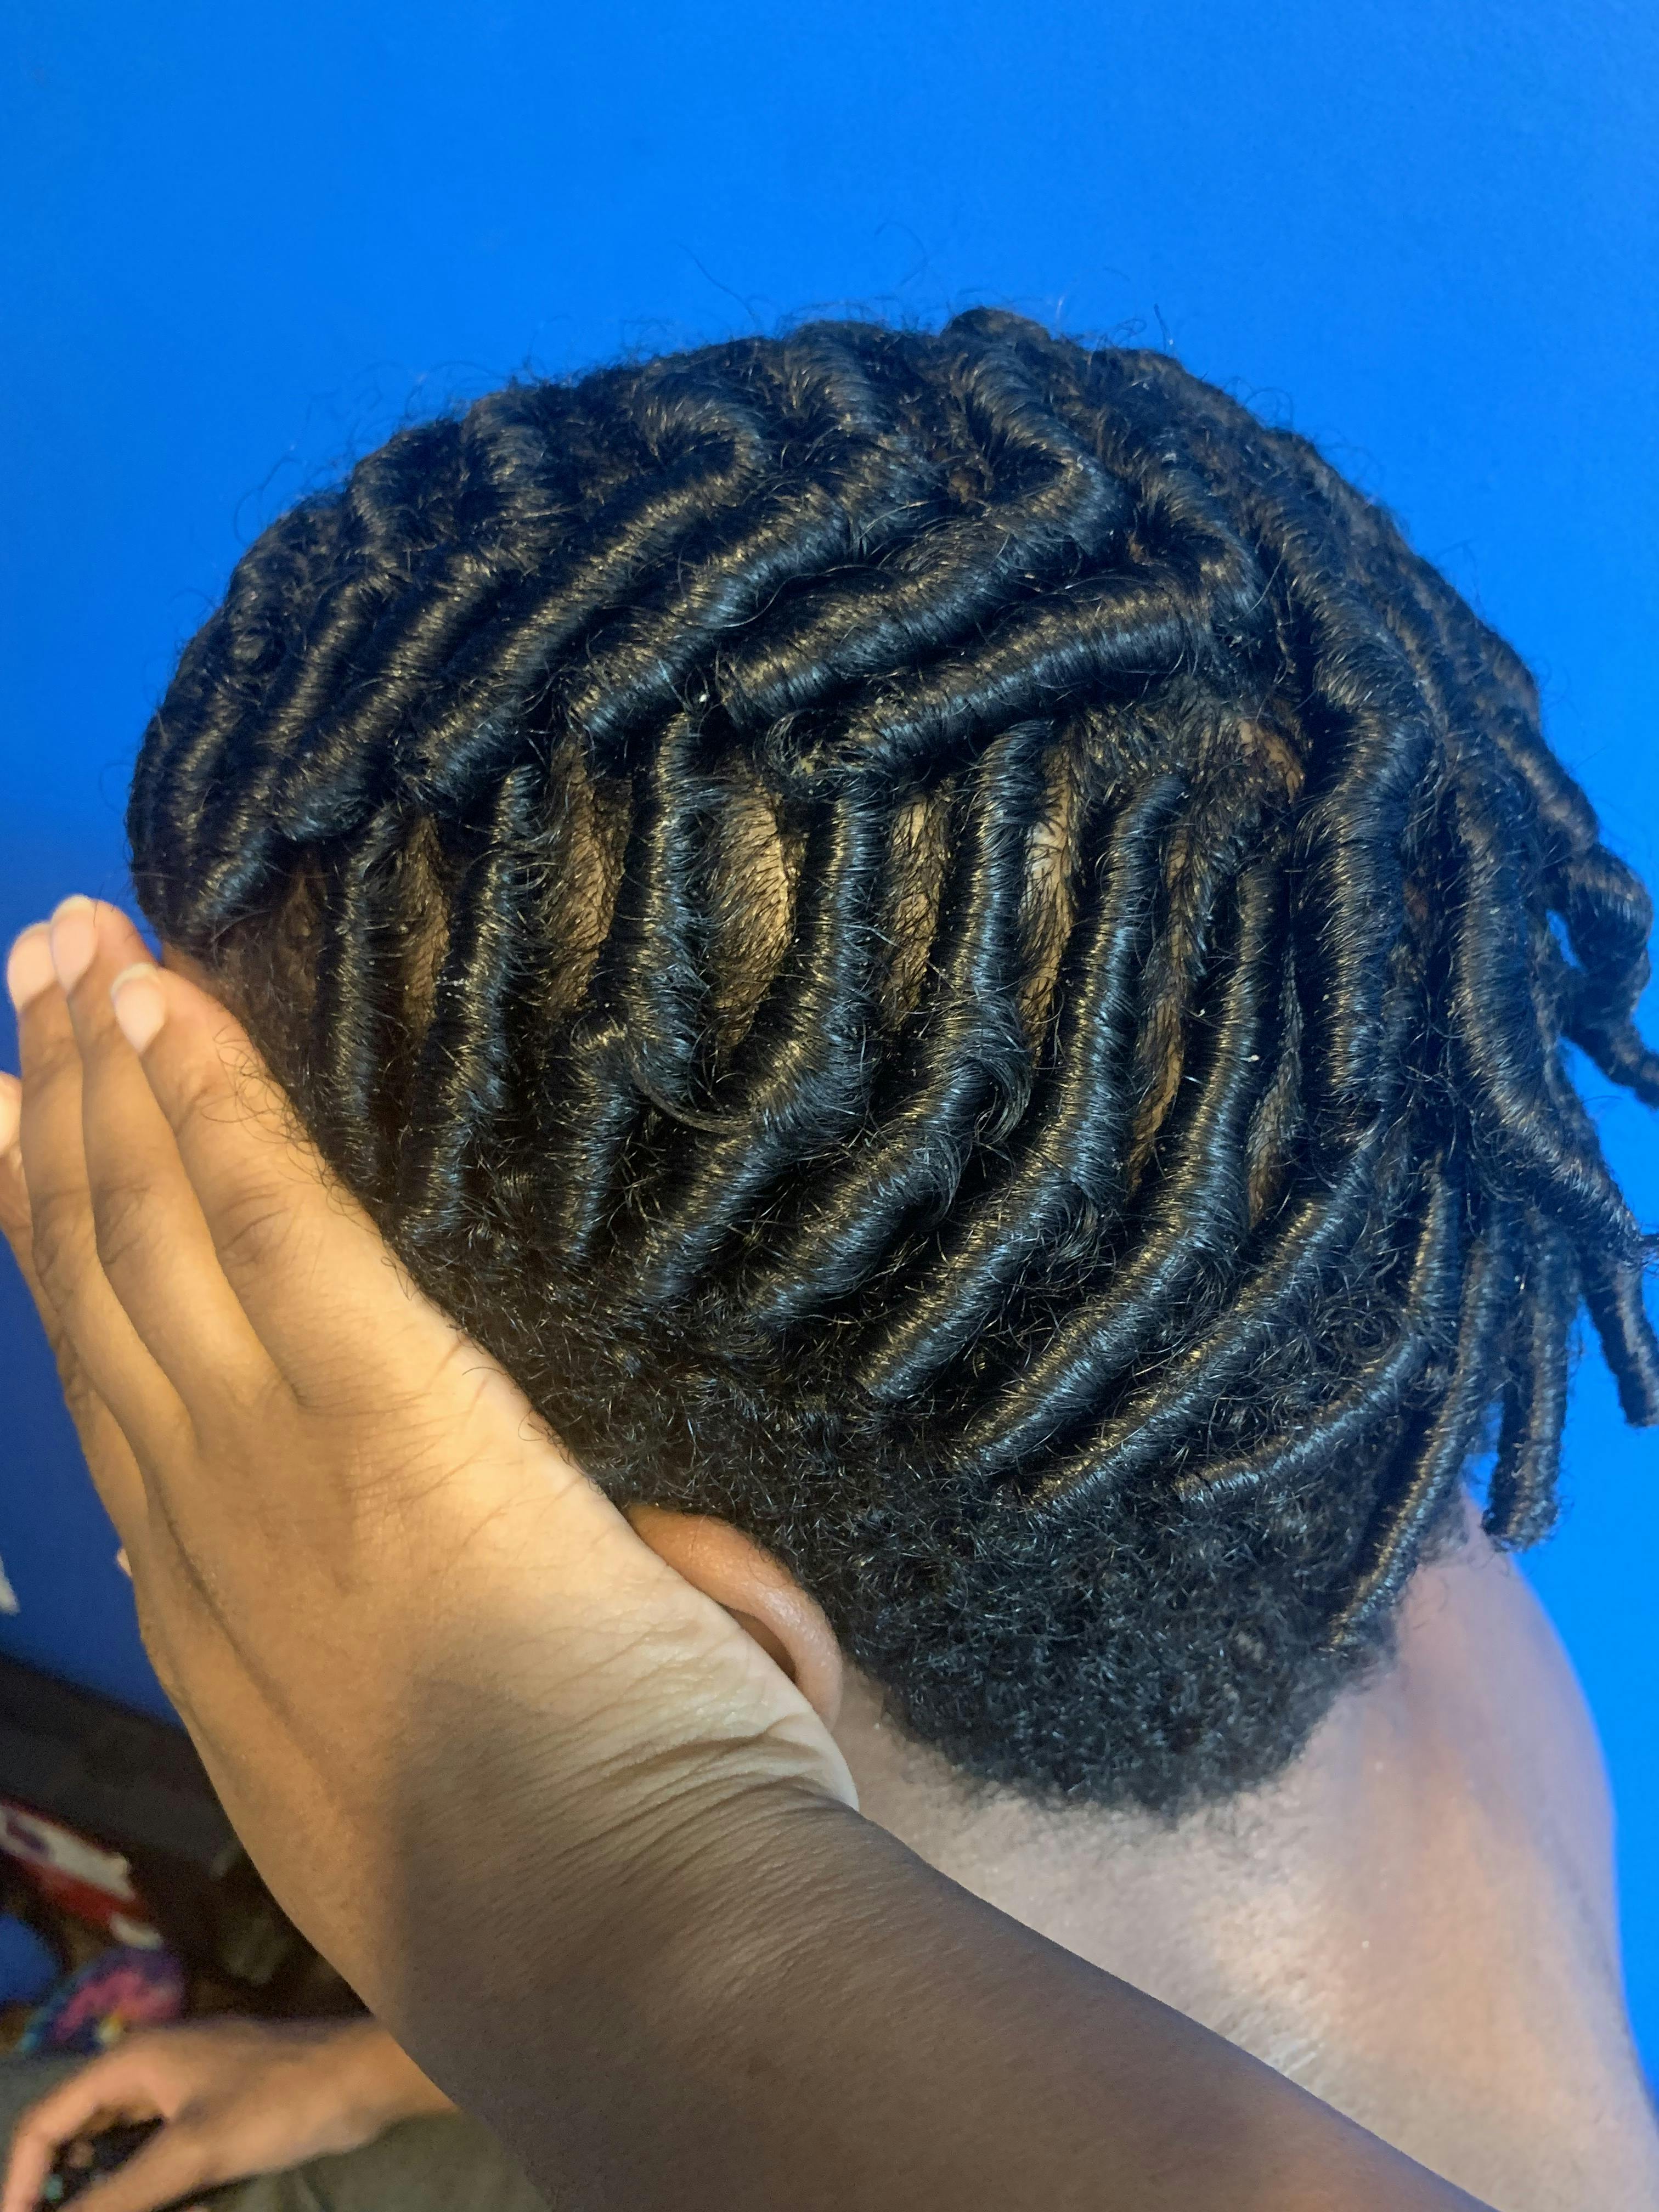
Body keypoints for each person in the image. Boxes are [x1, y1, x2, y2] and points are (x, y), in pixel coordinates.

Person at [1, 309, 1655, 2210]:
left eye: (239, 1338)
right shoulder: (1382, 1537)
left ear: (692, 1685)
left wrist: (584, 1900)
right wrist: (393, 2053)